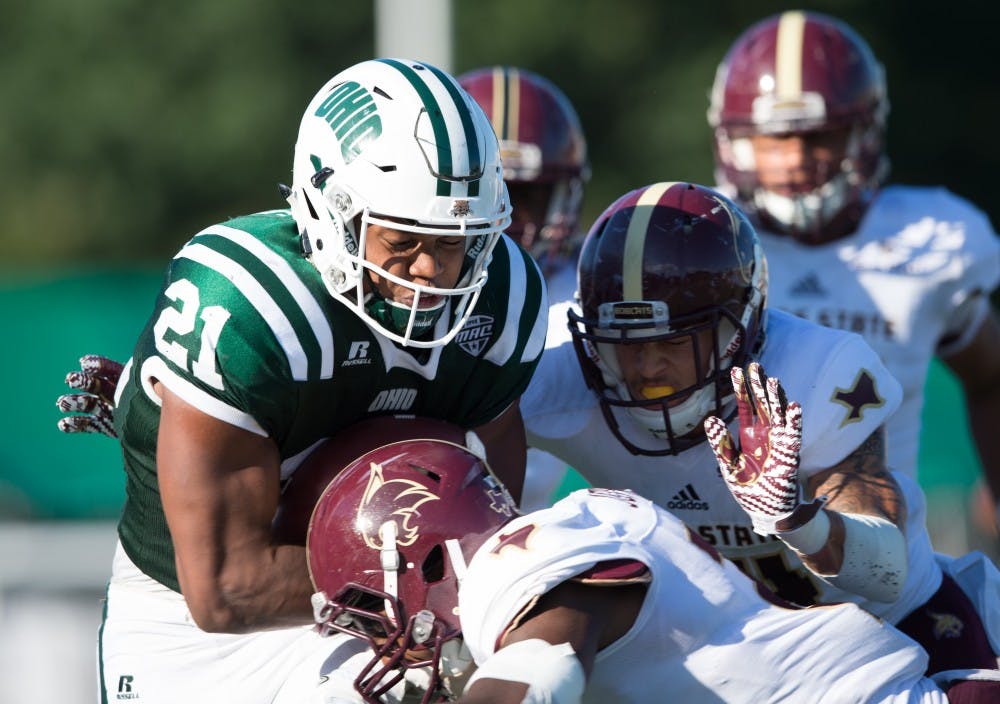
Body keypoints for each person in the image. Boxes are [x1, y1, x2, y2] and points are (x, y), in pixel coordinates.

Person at [56, 57, 547, 704]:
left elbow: (479, 526)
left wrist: (445, 576)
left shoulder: (500, 301)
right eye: (402, 239)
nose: (429, 269)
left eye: (452, 242)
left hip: (374, 622)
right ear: (328, 210)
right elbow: (225, 589)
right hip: (188, 626)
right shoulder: (248, 309)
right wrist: (415, 572)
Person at [520, 180, 998, 675]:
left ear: (737, 332)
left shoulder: (814, 372)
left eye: (675, 342)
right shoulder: (556, 362)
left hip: (887, 626)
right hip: (724, 651)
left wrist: (796, 518)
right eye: (626, 342)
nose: (647, 368)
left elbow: (888, 573)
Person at [302, 423, 1000, 703]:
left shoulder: (526, 564)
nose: (379, 642)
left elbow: (546, 660)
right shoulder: (580, 524)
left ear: (427, 561)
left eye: (373, 611)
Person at [706, 10, 1000, 543]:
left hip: (880, 549)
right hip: (723, 562)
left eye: (820, 137)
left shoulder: (930, 239)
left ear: (863, 134)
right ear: (732, 141)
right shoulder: (701, 240)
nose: (795, 161)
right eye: (773, 140)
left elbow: (990, 376)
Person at [458, 65, 590, 511]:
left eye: (527, 197)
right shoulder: (414, 284)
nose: (508, 218)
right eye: (492, 193)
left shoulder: (592, 287)